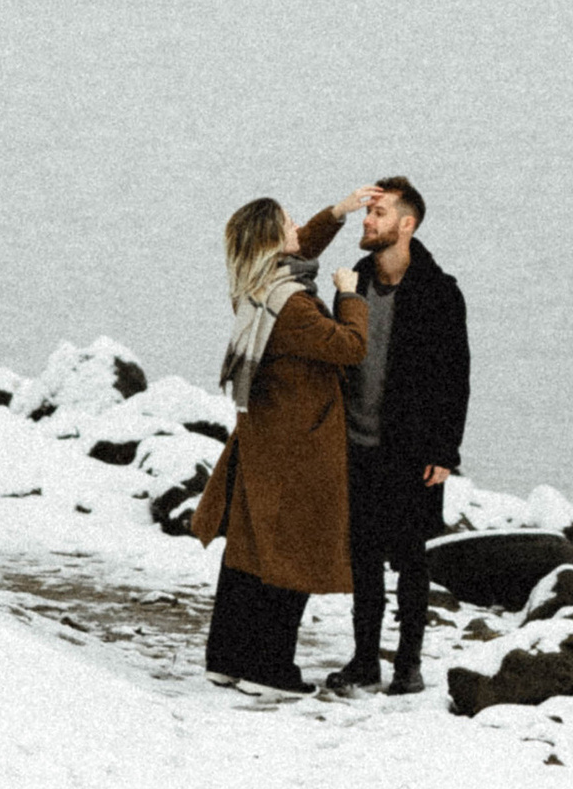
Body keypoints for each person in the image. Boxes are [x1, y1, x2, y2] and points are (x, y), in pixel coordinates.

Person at [190, 190, 374, 693]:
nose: (298, 228)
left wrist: (338, 212)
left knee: (248, 555)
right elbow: (350, 347)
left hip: (263, 439)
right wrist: (350, 296)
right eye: (289, 223)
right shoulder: (290, 306)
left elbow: (301, 249)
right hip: (298, 445)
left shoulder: (256, 289)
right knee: (292, 555)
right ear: (273, 241)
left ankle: (227, 658)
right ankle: (270, 670)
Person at [327, 174, 469, 697]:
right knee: (363, 558)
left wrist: (445, 451)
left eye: (379, 214)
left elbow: (456, 377)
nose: (368, 221)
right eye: (368, 213)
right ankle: (366, 660)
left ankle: (408, 666)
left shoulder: (440, 292)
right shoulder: (355, 282)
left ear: (406, 224)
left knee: (411, 559)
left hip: (411, 451)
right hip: (356, 443)